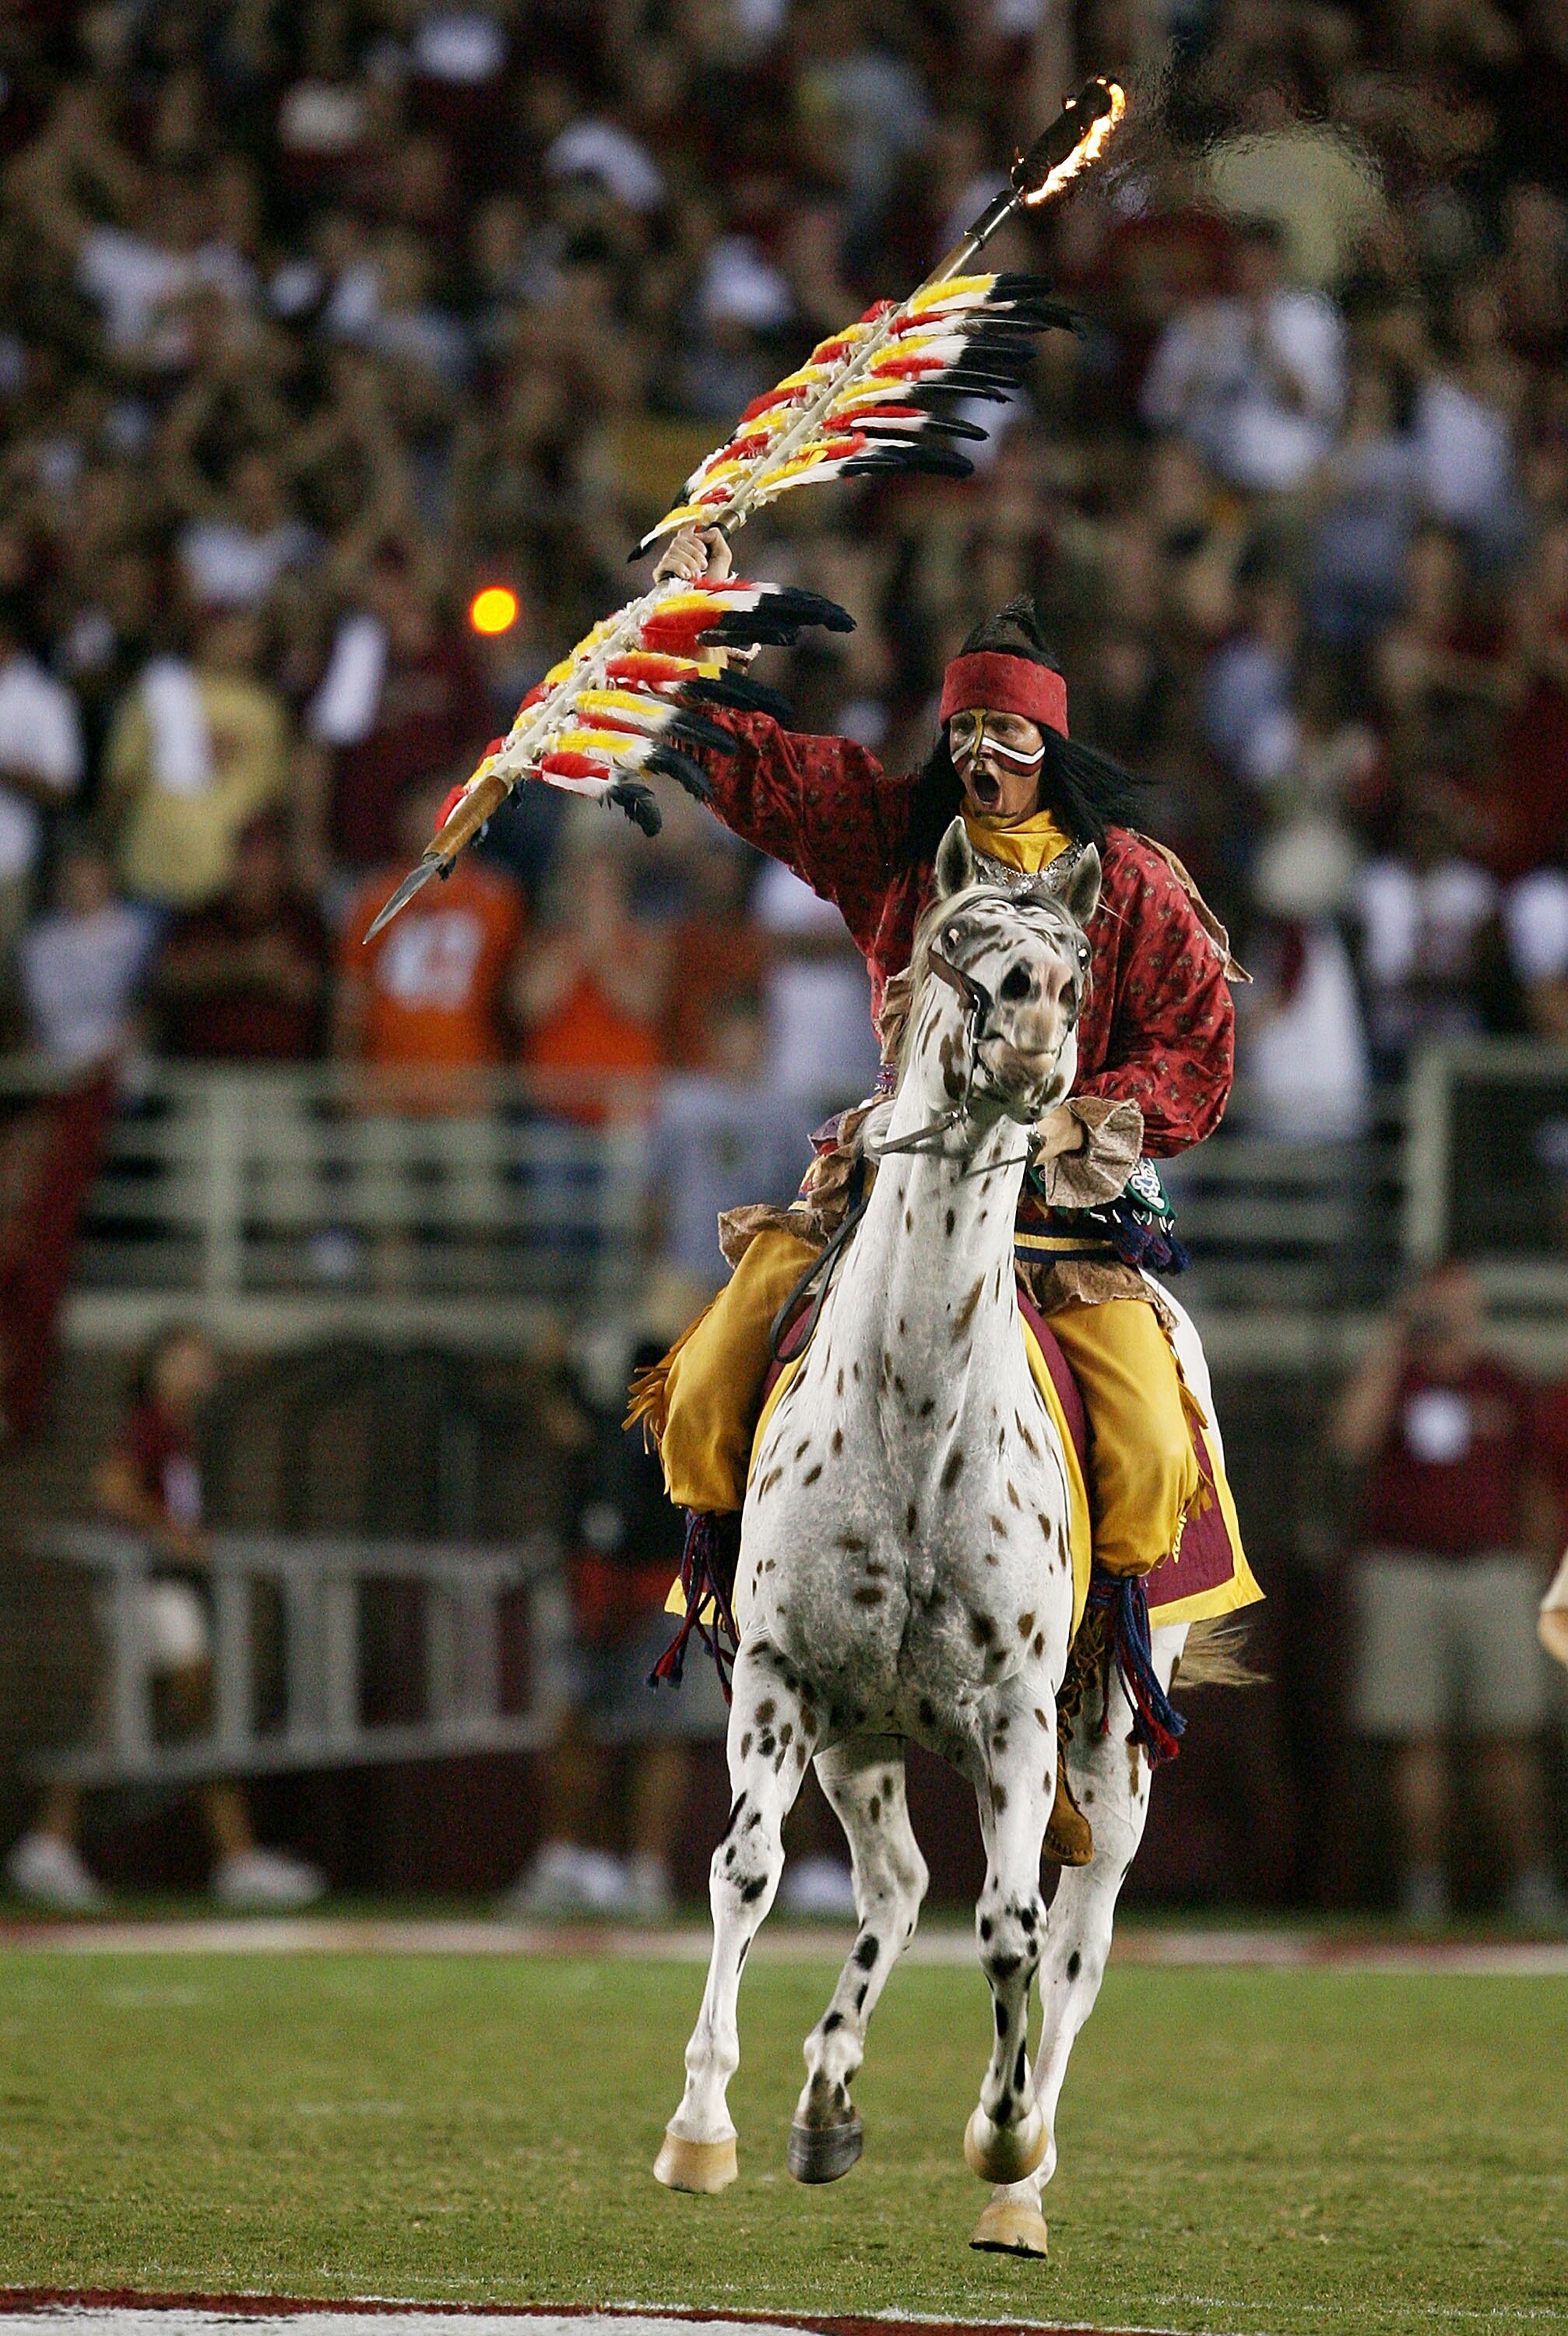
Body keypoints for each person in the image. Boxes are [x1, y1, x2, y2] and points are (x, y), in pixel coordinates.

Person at [634, 526, 1256, 1863]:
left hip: (1063, 1225)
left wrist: (1074, 1128)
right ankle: (756, 1619)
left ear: (1049, 744)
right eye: (960, 728)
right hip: (889, 1194)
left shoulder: (1131, 884)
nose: (978, 755)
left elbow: (1196, 1058)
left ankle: (1088, 1685)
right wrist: (691, 613)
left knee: (1147, 1454)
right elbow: (761, 771)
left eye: (1002, 731)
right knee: (698, 1389)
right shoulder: (896, 842)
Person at [5, 1326, 326, 1911]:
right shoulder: (150, 1424)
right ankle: (231, 1858)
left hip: (158, 1592)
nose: (196, 1373)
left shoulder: (178, 1432)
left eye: (201, 1363)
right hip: (150, 1592)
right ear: (156, 1368)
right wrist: (170, 1534)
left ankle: (55, 1844)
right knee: (190, 1715)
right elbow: (112, 1489)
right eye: (184, 1362)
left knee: (146, 1720)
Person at [1331, 1262, 1566, 1926]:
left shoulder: (1504, 1382)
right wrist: (1392, 1344)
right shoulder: (1398, 1376)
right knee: (1415, 1737)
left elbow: (1534, 1489)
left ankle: (1528, 1881)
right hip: (1404, 1571)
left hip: (1494, 1573)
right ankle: (1424, 1885)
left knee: (1511, 1734)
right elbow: (1349, 1441)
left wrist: (1540, 1573)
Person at [510, 1333, 726, 1919]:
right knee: (577, 1721)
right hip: (595, 1576)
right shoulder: (597, 1413)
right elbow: (568, 1430)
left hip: (663, 1578)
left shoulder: (688, 1406)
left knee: (658, 1731)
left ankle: (644, 1870)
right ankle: (569, 1858)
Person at [156, 815, 329, 1061]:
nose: (253, 867)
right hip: (205, 1072)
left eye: (263, 856)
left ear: (280, 863)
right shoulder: (204, 915)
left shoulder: (302, 918)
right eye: (246, 855)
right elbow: (172, 977)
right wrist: (248, 965)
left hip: (284, 1074)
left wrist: (216, 966)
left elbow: (308, 987)